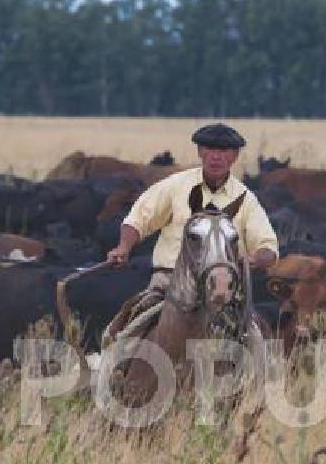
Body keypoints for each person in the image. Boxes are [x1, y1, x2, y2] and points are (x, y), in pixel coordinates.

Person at [102, 123, 278, 344]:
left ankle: (261, 379)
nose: (216, 157)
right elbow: (138, 219)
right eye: (210, 149)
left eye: (223, 151)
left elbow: (268, 247)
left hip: (224, 290)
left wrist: (252, 259)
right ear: (200, 152)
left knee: (256, 341)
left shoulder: (246, 199)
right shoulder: (175, 186)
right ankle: (115, 372)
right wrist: (124, 247)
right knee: (122, 332)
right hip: (168, 283)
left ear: (234, 156)